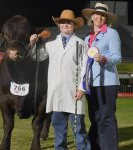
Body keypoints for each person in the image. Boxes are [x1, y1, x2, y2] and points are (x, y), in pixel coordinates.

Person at [30, 10, 91, 150]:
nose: (65, 24)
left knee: (78, 128)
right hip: (56, 92)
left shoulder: (80, 44)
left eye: (69, 22)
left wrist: (82, 87)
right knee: (59, 130)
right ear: (58, 26)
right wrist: (33, 43)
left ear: (74, 26)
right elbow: (36, 57)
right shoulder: (50, 45)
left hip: (75, 93)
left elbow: (86, 68)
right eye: (62, 22)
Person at [81, 2, 122, 150]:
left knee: (107, 118)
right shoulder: (87, 38)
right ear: (92, 16)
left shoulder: (112, 33)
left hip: (108, 82)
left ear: (106, 19)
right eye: (97, 14)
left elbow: (118, 57)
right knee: (95, 118)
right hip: (91, 83)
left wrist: (105, 59)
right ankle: (96, 146)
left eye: (103, 15)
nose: (99, 17)